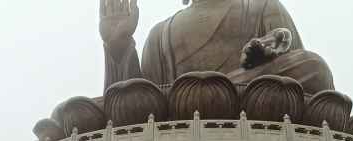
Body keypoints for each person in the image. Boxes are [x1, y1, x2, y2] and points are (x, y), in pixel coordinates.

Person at [100, 0, 334, 96]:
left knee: (314, 65)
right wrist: (118, 45)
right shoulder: (161, 32)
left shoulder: (262, 7)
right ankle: (218, 90)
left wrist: (260, 58)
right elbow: (141, 99)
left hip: (256, 103)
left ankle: (216, 89)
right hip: (180, 110)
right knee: (68, 116)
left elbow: (299, 66)